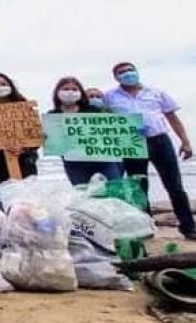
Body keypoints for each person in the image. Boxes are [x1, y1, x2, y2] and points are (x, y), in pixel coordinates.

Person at [104, 62, 195, 239]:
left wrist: (185, 141)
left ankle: (188, 226)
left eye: (130, 70)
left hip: (160, 141)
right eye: (122, 72)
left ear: (137, 72)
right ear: (116, 77)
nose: (127, 74)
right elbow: (100, 120)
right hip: (132, 144)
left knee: (174, 185)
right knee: (138, 187)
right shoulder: (110, 97)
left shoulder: (155, 92)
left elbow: (172, 118)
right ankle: (145, 228)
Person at [48, 76, 123, 186]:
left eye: (74, 89)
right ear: (57, 92)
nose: (70, 92)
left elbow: (115, 130)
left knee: (114, 190)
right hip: (75, 164)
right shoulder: (53, 116)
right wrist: (47, 138)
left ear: (80, 92)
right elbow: (54, 142)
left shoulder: (93, 111)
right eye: (66, 89)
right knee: (84, 196)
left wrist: (132, 131)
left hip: (104, 160)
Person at [0, 73, 39, 187]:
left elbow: (35, 138)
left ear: (10, 86)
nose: (0, 87)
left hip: (24, 162)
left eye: (3, 84)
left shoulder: (25, 109)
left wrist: (23, 149)